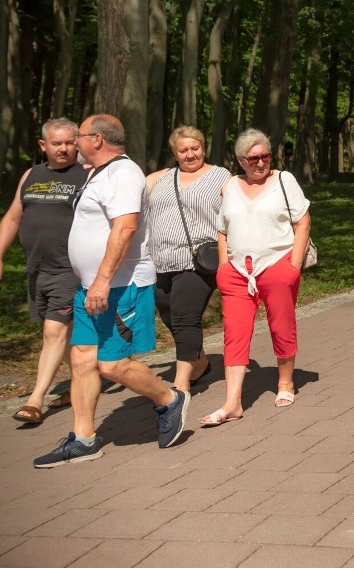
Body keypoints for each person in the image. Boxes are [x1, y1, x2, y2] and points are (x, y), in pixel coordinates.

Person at [33, 114, 190, 468]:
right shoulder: (98, 173)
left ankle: (168, 399)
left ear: (98, 140)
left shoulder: (123, 174)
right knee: (82, 360)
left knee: (112, 364)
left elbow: (125, 229)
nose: (74, 142)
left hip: (120, 285)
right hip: (92, 287)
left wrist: (103, 280)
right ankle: (83, 439)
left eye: (79, 136)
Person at [200, 128, 311, 425]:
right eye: (253, 159)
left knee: (281, 325)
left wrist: (294, 265)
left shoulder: (284, 181)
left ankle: (285, 383)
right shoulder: (231, 186)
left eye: (265, 156)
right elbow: (222, 229)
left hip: (277, 265)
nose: (260, 163)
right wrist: (224, 267)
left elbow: (303, 221)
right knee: (234, 334)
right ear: (240, 160)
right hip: (236, 271)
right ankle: (232, 402)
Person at [0, 118, 87, 424]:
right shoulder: (32, 174)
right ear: (44, 145)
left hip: (69, 268)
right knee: (60, 332)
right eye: (57, 143)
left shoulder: (86, 175)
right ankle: (77, 384)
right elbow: (13, 217)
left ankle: (34, 401)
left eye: (70, 142)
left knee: (54, 331)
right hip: (37, 268)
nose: (64, 149)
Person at [146, 126, 229, 392]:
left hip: (197, 260)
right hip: (161, 259)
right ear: (174, 152)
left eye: (195, 148)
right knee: (168, 312)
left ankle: (180, 384)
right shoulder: (160, 179)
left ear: (204, 148)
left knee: (184, 316)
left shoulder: (221, 177)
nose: (190, 154)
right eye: (184, 150)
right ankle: (200, 361)